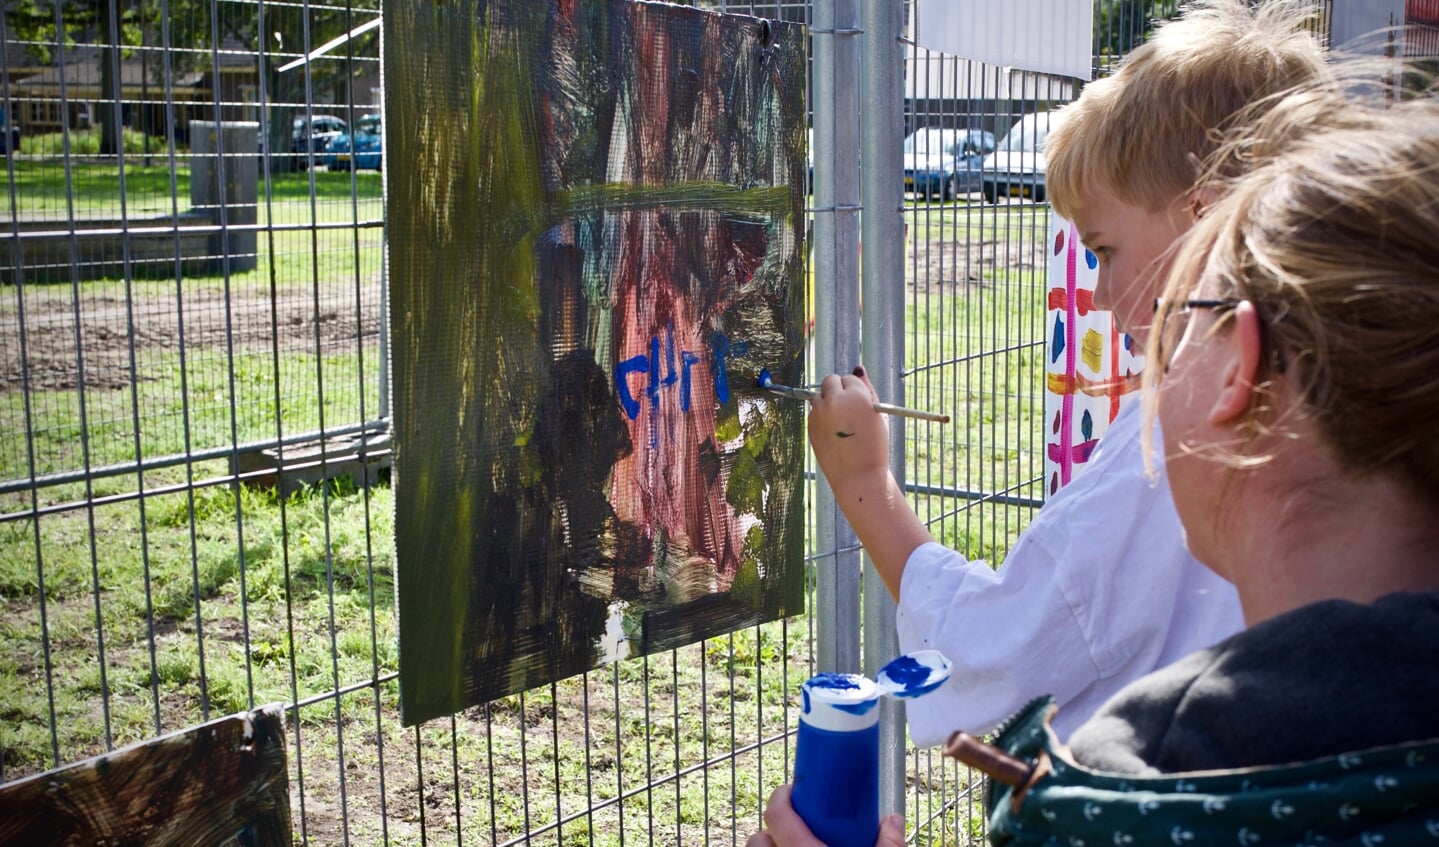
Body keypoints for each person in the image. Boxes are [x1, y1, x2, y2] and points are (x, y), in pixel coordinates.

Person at [806, 0, 1329, 752]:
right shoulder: (1338, 395)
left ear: (1206, 222)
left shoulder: (1179, 430)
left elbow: (998, 648)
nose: (1096, 293)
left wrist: (865, 486)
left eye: (1105, 250)